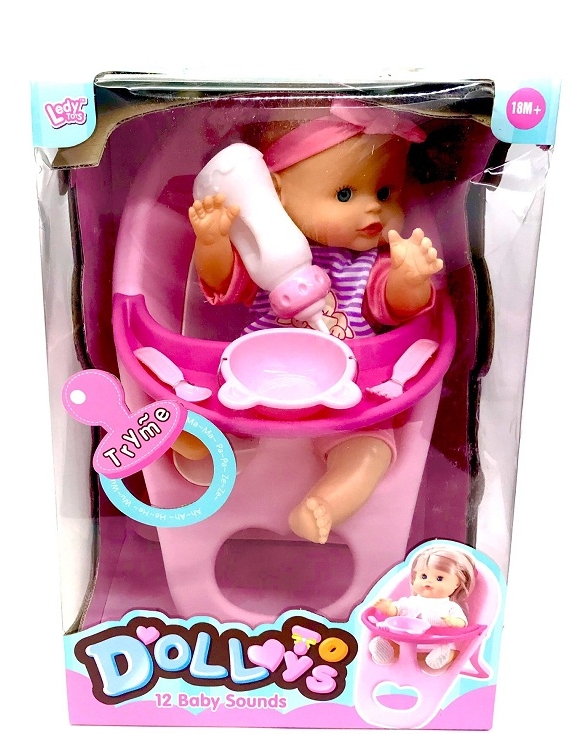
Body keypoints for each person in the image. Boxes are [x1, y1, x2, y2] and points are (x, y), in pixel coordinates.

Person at [189, 100, 443, 544]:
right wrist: (212, 241)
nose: (373, 210)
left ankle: (325, 503)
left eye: (385, 193)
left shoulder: (368, 266)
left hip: (348, 395)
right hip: (259, 383)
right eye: (344, 194)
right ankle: (193, 439)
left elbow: (398, 307)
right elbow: (220, 281)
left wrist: (410, 278)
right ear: (275, 195)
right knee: (209, 408)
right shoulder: (266, 254)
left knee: (372, 450)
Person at [369, 546, 476, 672]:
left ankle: (449, 655)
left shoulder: (450, 607)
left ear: (457, 584)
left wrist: (454, 622)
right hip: (405, 645)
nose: (428, 582)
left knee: (439, 653)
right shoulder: (410, 602)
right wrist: (388, 608)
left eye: (439, 578)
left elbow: (462, 622)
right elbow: (397, 610)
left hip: (434, 645)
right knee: (391, 643)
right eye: (423, 576)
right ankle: (386, 653)